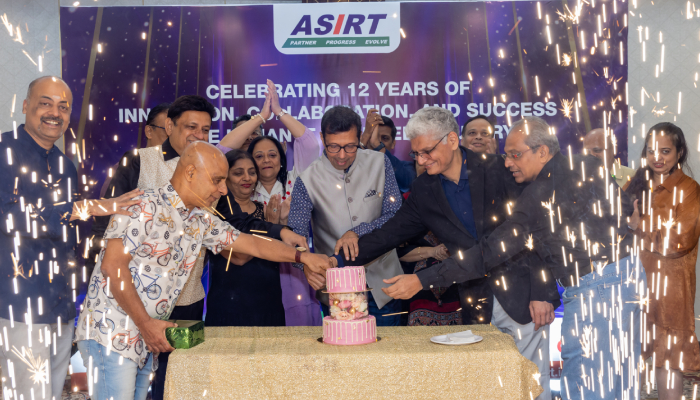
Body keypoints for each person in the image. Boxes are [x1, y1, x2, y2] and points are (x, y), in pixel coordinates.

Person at [380, 116, 645, 400]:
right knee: (617, 379)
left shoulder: (537, 196)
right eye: (506, 155)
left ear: (542, 151)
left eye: (515, 155)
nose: (507, 163)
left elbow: (487, 253)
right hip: (627, 277)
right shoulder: (585, 164)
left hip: (596, 290)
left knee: (585, 385)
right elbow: (630, 213)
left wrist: (422, 279)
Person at [74, 142, 333, 400]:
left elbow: (251, 243)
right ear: (189, 173)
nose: (223, 189)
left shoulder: (200, 218)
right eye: (217, 180)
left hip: (146, 334)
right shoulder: (142, 206)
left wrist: (303, 256)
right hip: (111, 334)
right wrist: (146, 325)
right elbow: (112, 268)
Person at [337, 108, 557, 399]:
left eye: (427, 151)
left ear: (452, 140)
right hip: (476, 302)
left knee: (531, 386)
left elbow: (535, 232)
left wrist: (542, 291)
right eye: (417, 154)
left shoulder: (499, 170)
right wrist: (334, 261)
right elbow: (390, 233)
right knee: (488, 388)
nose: (421, 160)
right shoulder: (424, 189)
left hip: (524, 298)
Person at [0, 76, 141, 400]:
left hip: (61, 304)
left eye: (63, 106)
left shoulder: (66, 166)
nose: (55, 113)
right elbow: (14, 217)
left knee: (50, 392)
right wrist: (90, 206)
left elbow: (74, 230)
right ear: (25, 106)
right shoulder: (4, 153)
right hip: (21, 304)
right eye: (45, 103)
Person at [87, 95, 216, 400]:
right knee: (131, 385)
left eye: (206, 129)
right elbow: (107, 225)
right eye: (191, 127)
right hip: (135, 307)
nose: (199, 135)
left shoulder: (210, 167)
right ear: (169, 125)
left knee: (181, 379)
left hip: (188, 297)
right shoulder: (139, 161)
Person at [217, 79, 322, 326]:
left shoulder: (296, 181)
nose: (266, 161)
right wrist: (260, 118)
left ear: (282, 157)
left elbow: (311, 143)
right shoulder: (240, 190)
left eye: (273, 155)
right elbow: (219, 153)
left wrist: (278, 112)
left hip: (295, 270)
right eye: (258, 156)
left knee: (299, 340)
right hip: (255, 274)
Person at [288, 105, 405, 325]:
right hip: (337, 289)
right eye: (334, 147)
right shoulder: (307, 180)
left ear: (360, 137)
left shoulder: (380, 163)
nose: (342, 156)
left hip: (386, 283)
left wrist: (357, 232)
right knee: (344, 355)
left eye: (350, 146)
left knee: (388, 356)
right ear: (322, 138)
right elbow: (296, 234)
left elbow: (396, 214)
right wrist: (304, 264)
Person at [624, 122, 700, 400]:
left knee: (667, 361)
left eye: (665, 151)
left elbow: (679, 241)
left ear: (679, 153)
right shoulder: (636, 185)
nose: (658, 157)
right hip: (632, 284)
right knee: (627, 358)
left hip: (670, 290)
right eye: (652, 150)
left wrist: (638, 226)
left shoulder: (690, 189)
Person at [207, 150, 308, 326]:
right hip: (230, 306)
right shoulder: (216, 213)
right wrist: (272, 226)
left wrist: (282, 222)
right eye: (238, 173)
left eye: (252, 172)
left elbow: (280, 253)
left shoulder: (265, 209)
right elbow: (240, 257)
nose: (247, 178)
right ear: (225, 178)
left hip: (269, 303)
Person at [360, 109, 416, 193]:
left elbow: (407, 184)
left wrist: (378, 146)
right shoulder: (356, 165)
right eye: (373, 137)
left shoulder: (405, 167)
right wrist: (365, 136)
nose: (378, 141)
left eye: (385, 138)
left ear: (393, 143)